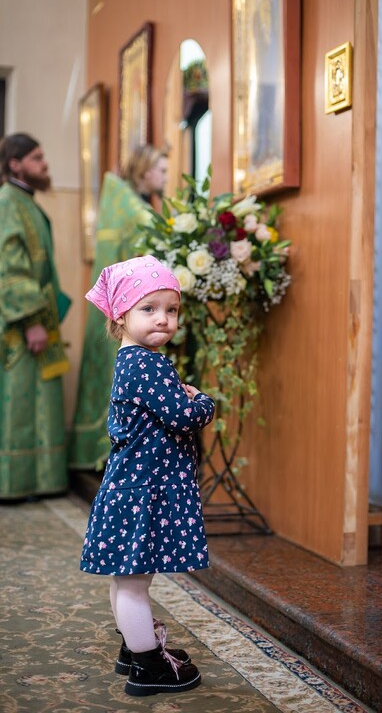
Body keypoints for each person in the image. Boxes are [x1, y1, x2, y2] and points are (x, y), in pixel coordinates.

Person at [79, 255, 215, 696]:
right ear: (121, 315)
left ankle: (132, 646)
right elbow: (182, 417)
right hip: (144, 490)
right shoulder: (148, 365)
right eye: (149, 308)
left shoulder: (131, 359)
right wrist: (203, 402)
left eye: (171, 309)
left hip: (131, 486)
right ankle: (148, 666)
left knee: (127, 578)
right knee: (135, 584)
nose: (163, 319)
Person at [69, 145, 169, 470]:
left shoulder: (125, 202)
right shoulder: (136, 211)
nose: (166, 177)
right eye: (162, 170)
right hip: (137, 312)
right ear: (145, 171)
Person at [0, 133, 70, 500]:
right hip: (20, 324)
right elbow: (9, 267)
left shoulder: (25, 201)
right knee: (21, 402)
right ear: (15, 164)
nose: (45, 164)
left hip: (37, 316)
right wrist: (32, 321)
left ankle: (37, 480)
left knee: (39, 400)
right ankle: (14, 482)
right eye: (36, 158)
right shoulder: (8, 202)